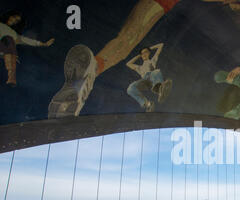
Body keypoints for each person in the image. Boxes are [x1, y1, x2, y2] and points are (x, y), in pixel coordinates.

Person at [48, 0, 180, 118]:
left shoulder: (145, 65)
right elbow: (157, 48)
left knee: (128, 43)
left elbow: (130, 58)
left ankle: (91, 73)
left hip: (146, 79)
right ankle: (91, 71)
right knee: (129, 39)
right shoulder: (148, 63)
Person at [0, 10, 54, 86]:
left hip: (5, 50)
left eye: (17, 21)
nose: (14, 20)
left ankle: (11, 76)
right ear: (9, 16)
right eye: (14, 17)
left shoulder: (14, 34)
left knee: (9, 40)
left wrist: (44, 44)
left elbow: (27, 40)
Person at [126, 44, 172, 111]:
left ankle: (160, 90)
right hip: (144, 81)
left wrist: (150, 48)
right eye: (142, 53)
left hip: (153, 78)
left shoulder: (153, 60)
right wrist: (139, 55)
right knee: (130, 89)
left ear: (149, 53)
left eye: (145, 52)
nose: (144, 54)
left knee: (156, 71)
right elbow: (128, 64)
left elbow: (161, 45)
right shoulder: (139, 67)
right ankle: (147, 104)